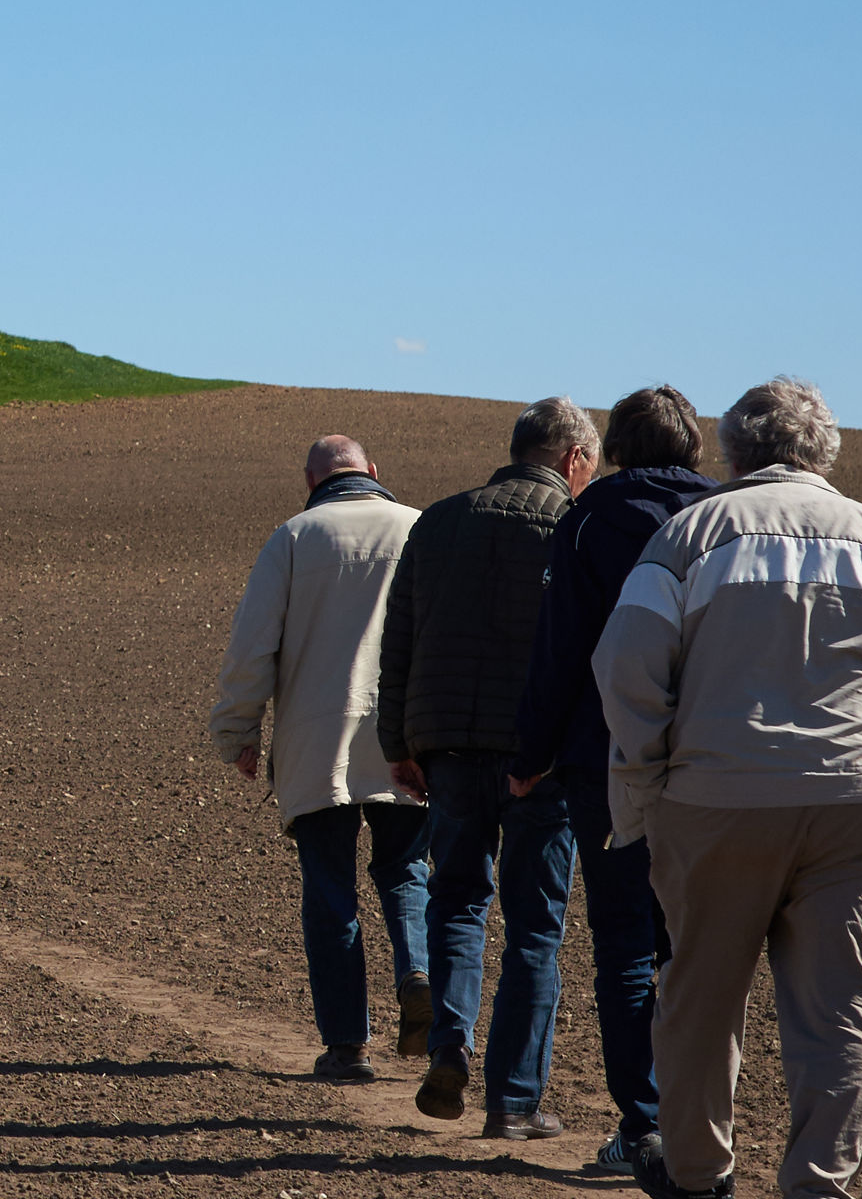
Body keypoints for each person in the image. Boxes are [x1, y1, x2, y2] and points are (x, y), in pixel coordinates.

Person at [597, 379, 862, 1199]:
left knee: (699, 998)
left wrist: (647, 778)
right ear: (825, 452)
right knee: (845, 1010)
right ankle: (819, 1182)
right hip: (858, 804)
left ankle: (698, 1176)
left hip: (714, 800)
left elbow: (625, 662)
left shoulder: (691, 535)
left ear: (733, 451)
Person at [513, 386, 717, 1176]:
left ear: (619, 447)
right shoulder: (726, 518)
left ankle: (644, 1127)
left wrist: (528, 756)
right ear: (694, 444)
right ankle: (700, 1121)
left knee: (625, 945)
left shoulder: (590, 518)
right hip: (712, 762)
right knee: (696, 950)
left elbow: (559, 649)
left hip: (605, 763)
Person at [379, 398, 597, 1137]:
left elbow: (398, 637)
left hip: (447, 746)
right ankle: (513, 1102)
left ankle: (449, 1043)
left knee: (457, 899)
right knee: (535, 928)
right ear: (573, 458)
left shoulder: (437, 520)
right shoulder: (573, 530)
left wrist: (398, 742)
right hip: (537, 758)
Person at [211, 436, 433, 1083]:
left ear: (310, 480)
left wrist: (238, 733)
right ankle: (417, 971)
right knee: (406, 870)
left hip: (317, 744)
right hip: (407, 741)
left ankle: (347, 1047)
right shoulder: (420, 529)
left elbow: (252, 648)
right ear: (373, 472)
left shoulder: (293, 538)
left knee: (330, 889)